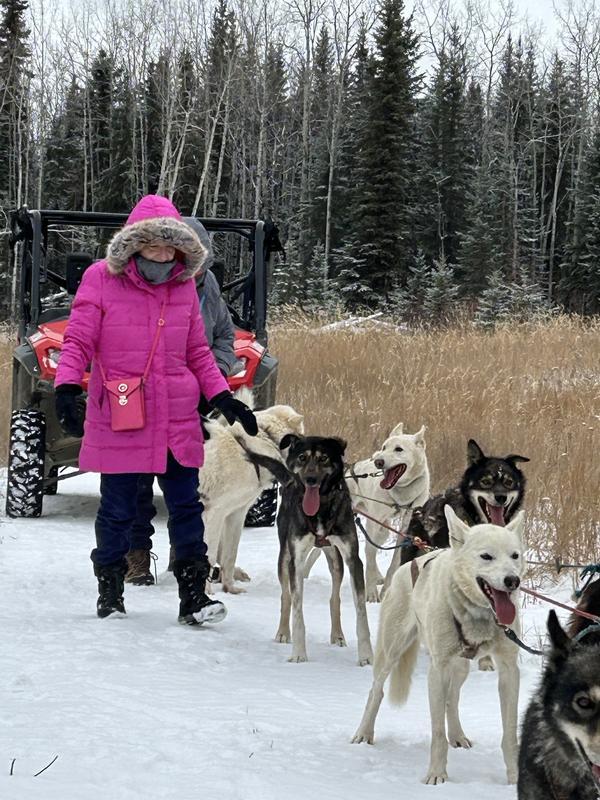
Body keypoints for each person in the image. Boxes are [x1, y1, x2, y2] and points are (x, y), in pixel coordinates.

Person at [54, 194, 258, 625]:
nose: (164, 255)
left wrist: (221, 396)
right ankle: (110, 590)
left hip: (176, 417)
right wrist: (67, 385)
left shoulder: (183, 286)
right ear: (133, 244)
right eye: (154, 245)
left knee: (186, 507)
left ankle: (193, 598)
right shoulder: (100, 279)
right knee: (118, 508)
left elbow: (199, 351)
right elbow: (78, 339)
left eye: (172, 247)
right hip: (123, 414)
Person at [126, 217, 240, 586]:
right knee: (137, 483)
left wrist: (214, 378)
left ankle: (188, 557)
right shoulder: (143, 286)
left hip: (194, 398)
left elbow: (224, 338)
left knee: (188, 485)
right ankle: (136, 558)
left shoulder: (210, 290)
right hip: (143, 398)